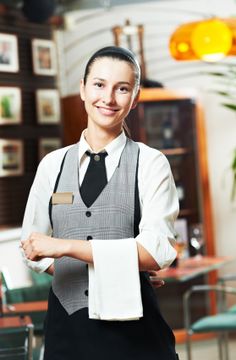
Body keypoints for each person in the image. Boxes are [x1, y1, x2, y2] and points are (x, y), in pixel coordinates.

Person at [21, 46, 179, 360]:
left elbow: (155, 251)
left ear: (134, 99)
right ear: (82, 88)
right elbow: (33, 247)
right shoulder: (52, 165)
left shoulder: (151, 163)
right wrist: (117, 271)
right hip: (66, 331)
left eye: (122, 89)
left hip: (136, 334)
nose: (108, 98)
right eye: (99, 84)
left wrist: (64, 246)